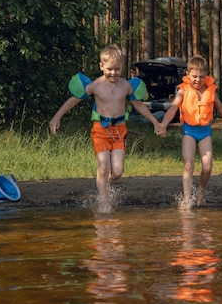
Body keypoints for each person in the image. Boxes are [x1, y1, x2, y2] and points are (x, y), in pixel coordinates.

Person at [49, 45, 165, 207]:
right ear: (101, 66)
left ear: (122, 67)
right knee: (103, 167)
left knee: (117, 171)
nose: (113, 73)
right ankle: (104, 204)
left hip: (119, 130)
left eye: (117, 69)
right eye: (109, 69)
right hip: (100, 130)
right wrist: (56, 117)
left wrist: (155, 122)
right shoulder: (95, 85)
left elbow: (139, 106)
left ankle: (105, 184)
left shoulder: (126, 86)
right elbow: (74, 100)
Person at [159, 55, 222, 208]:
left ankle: (201, 191)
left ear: (207, 75)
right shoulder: (183, 91)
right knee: (189, 164)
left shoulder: (210, 90)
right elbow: (174, 107)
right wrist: (163, 124)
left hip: (205, 131)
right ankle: (187, 199)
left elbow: (221, 108)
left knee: (207, 166)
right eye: (194, 76)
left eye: (201, 77)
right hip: (189, 130)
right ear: (188, 75)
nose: (197, 80)